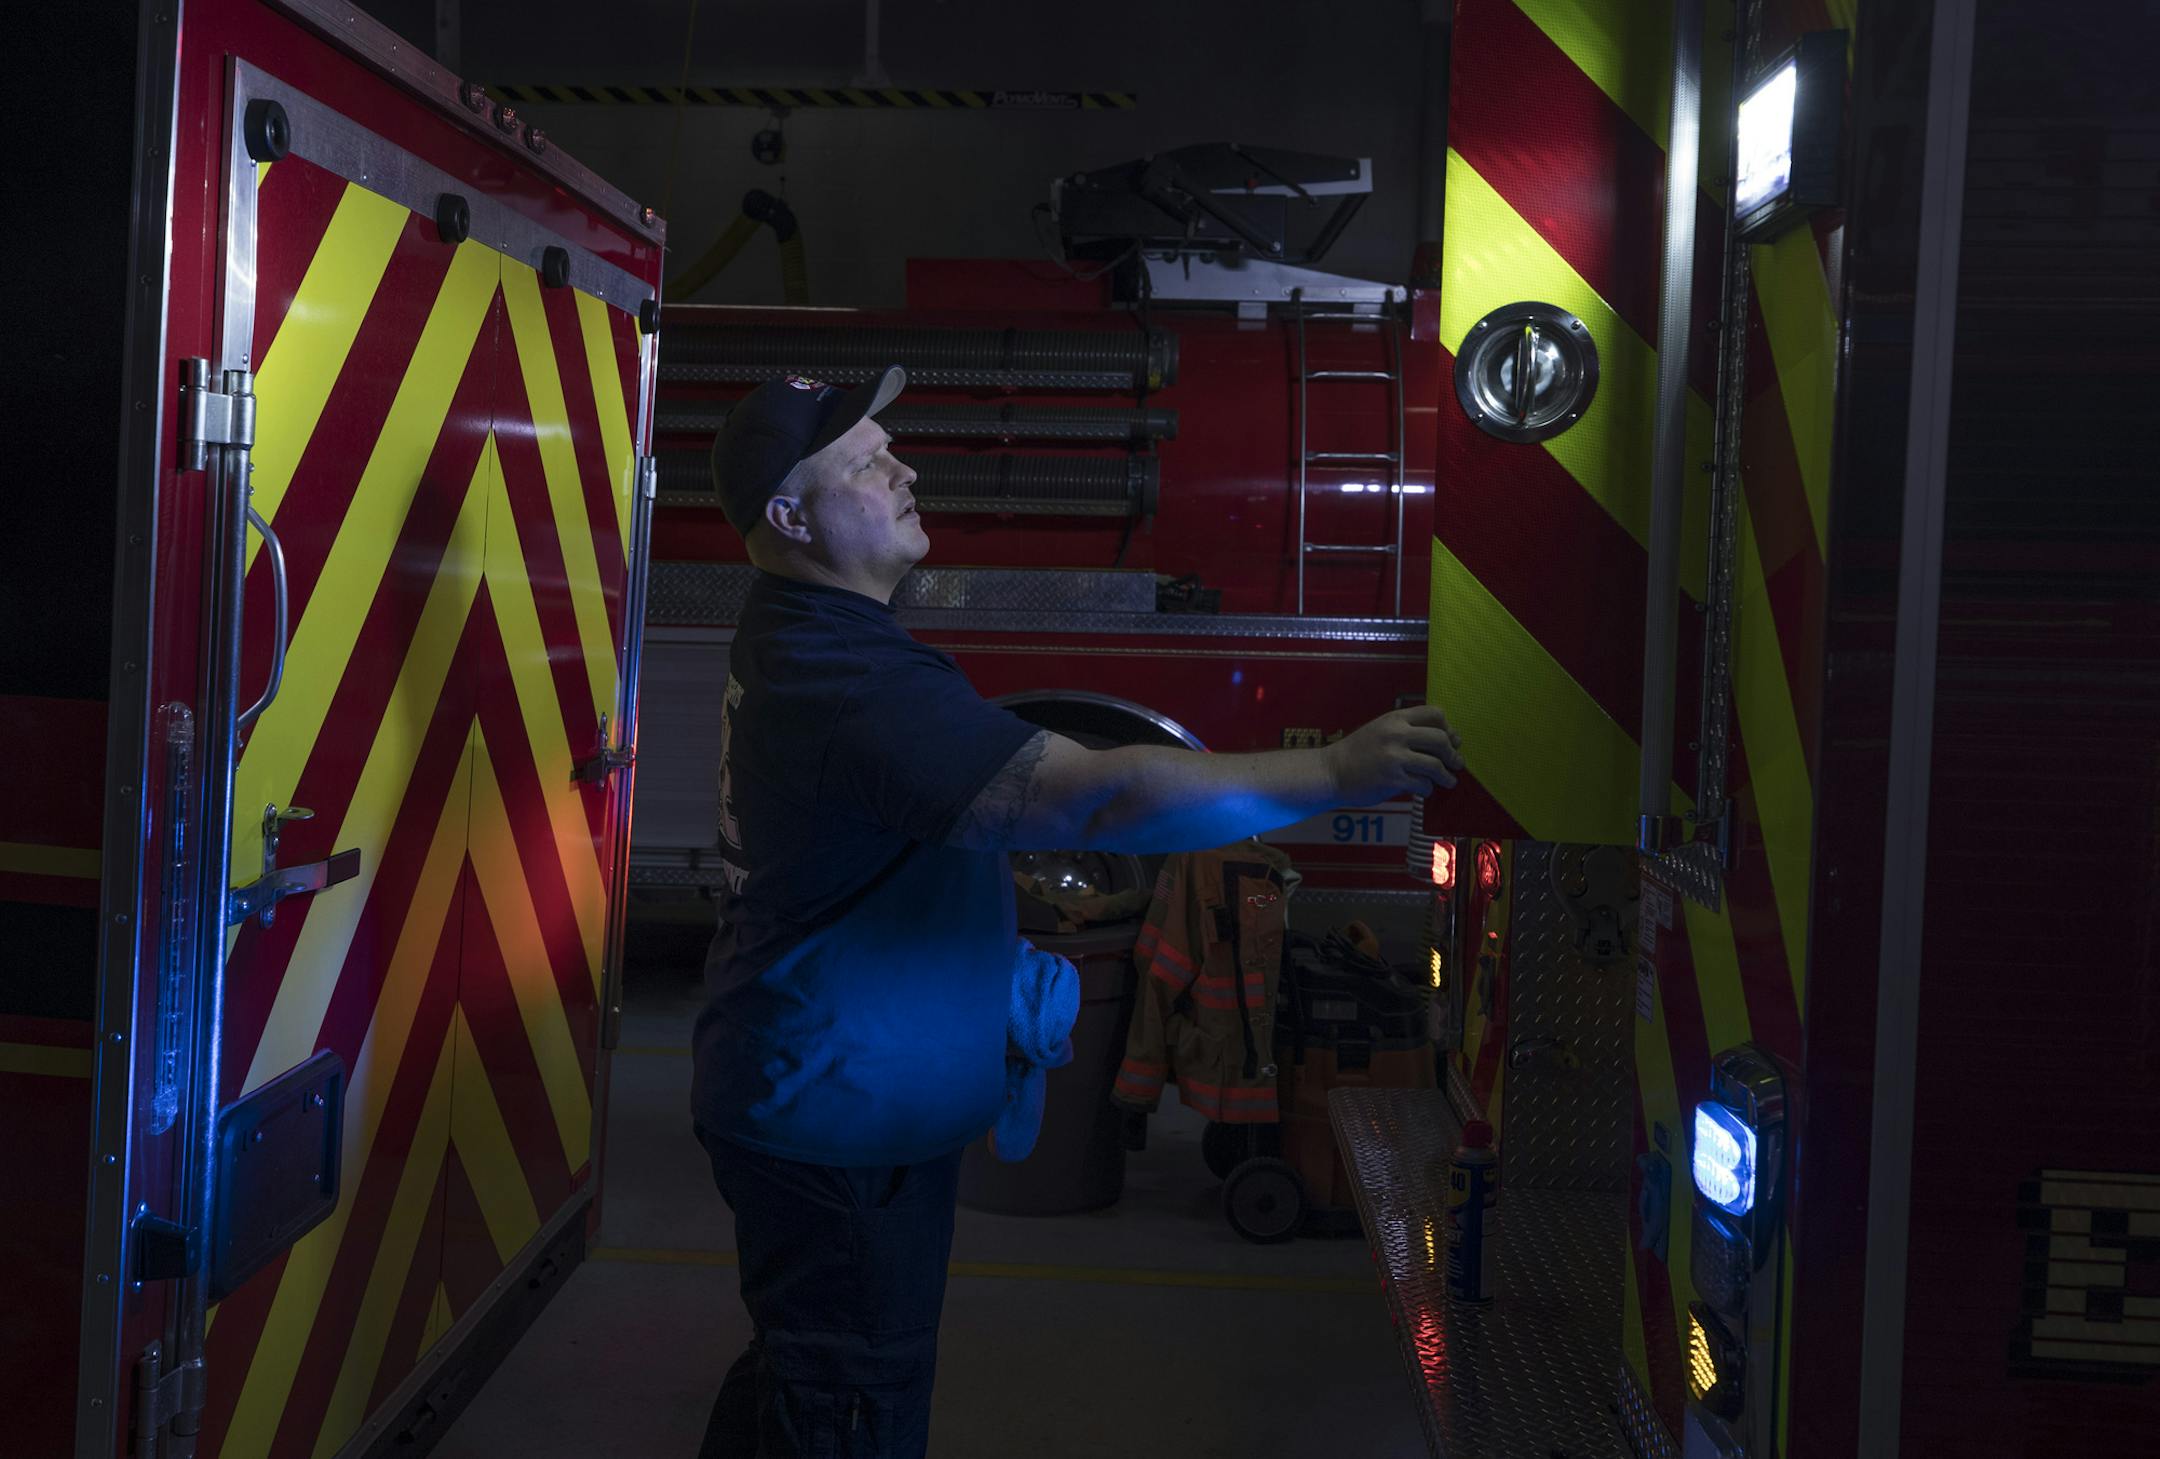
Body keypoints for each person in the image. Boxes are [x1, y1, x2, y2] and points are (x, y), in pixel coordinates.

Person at [693, 366, 1464, 1458]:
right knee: (847, 1400)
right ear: (789, 515)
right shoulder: (841, 675)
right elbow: (1099, 794)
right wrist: (1335, 771)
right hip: (836, 1128)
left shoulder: (815, 634)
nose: (904, 468)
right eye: (866, 461)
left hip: (821, 1103)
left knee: (804, 1368)